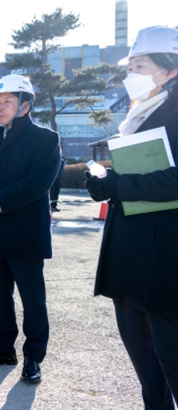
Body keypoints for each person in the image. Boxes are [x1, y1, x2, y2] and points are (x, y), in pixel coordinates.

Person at [85, 26, 178, 409]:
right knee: (146, 367)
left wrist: (117, 184)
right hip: (131, 260)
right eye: (130, 66)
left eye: (140, 65)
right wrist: (103, 181)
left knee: (171, 359)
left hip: (165, 263)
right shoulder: (140, 111)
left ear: (170, 69)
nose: (131, 74)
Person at [0, 74, 60, 384]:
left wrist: (0, 201)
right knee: (0, 297)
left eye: (8, 101)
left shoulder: (45, 139)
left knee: (33, 299)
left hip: (25, 233)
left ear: (25, 105)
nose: (0, 107)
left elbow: (38, 183)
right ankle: (3, 349)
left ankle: (33, 356)